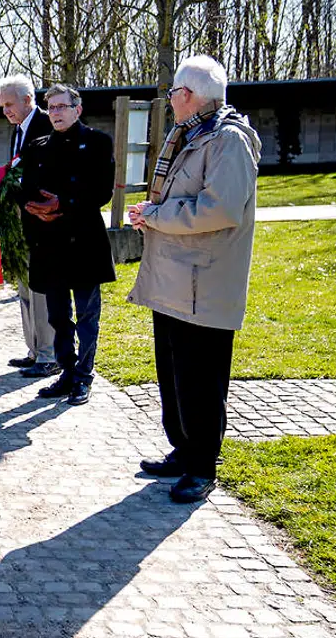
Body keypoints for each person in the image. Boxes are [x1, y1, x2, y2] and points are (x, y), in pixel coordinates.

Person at [127, 55, 261, 504]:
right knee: (174, 373)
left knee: (200, 379)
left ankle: (202, 466)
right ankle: (183, 451)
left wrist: (157, 215)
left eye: (173, 93)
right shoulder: (191, 132)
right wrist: (154, 217)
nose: (169, 101)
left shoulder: (228, 140)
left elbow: (220, 210)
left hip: (204, 283)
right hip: (174, 279)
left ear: (188, 95)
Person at [21, 84, 116, 407]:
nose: (56, 113)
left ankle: (83, 377)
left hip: (84, 242)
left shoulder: (98, 143)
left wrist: (63, 204)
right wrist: (36, 210)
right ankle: (66, 371)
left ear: (78, 109)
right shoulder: (37, 146)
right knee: (58, 316)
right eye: (52, 107)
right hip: (49, 243)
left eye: (62, 106)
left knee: (88, 315)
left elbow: (102, 191)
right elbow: (26, 190)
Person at [0, 74, 58, 377]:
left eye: (9, 104)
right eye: (2, 105)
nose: (5, 109)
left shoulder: (47, 125)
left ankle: (49, 355)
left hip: (42, 223)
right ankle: (34, 350)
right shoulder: (17, 130)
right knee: (24, 286)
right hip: (19, 224)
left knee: (42, 290)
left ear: (28, 100)